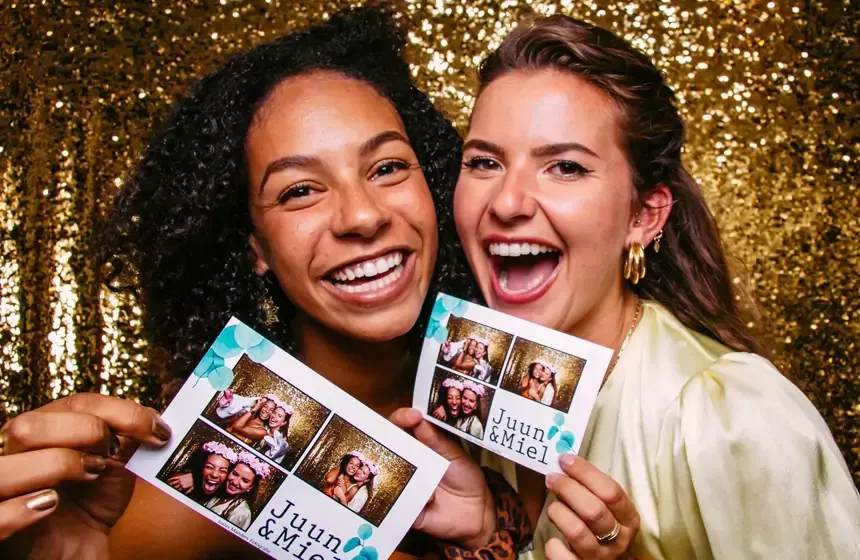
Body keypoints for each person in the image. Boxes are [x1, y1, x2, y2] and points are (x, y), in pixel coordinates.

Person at [0, 7, 557, 558]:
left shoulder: (509, 397)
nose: (362, 217)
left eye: (386, 168)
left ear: (432, 185)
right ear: (256, 249)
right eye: (298, 191)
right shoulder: (218, 462)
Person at [454, 13, 860, 559]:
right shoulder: (468, 397)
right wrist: (489, 536)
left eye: (566, 167)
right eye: (484, 162)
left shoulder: (730, 418)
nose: (506, 202)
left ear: (644, 216)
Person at [204, 451, 270, 531]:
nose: (235, 482)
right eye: (234, 474)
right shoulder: (218, 494)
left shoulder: (241, 513)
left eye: (244, 480)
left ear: (251, 486)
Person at [166, 441, 238, 504]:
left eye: (222, 471)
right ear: (201, 467)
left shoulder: (222, 500)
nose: (214, 474)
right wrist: (194, 478)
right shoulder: (181, 481)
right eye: (209, 467)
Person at [256, 397, 292, 464]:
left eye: (279, 416)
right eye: (274, 413)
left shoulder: (281, 443)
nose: (274, 416)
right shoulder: (263, 427)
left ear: (283, 423)